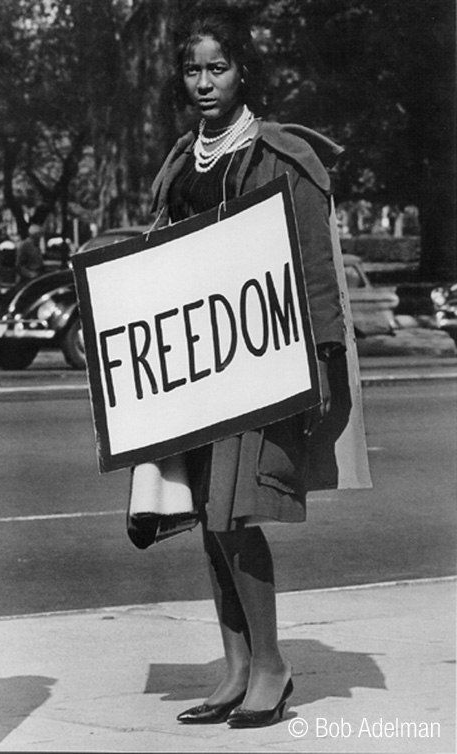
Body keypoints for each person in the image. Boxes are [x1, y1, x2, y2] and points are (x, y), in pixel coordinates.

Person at [145, 4, 350, 729]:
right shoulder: (181, 160)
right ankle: (235, 668)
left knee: (236, 513)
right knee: (208, 517)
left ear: (243, 72)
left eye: (218, 67)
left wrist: (322, 364)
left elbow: (317, 273)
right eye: (193, 69)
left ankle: (273, 666)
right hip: (197, 370)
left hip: (265, 363)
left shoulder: (282, 155)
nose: (204, 82)